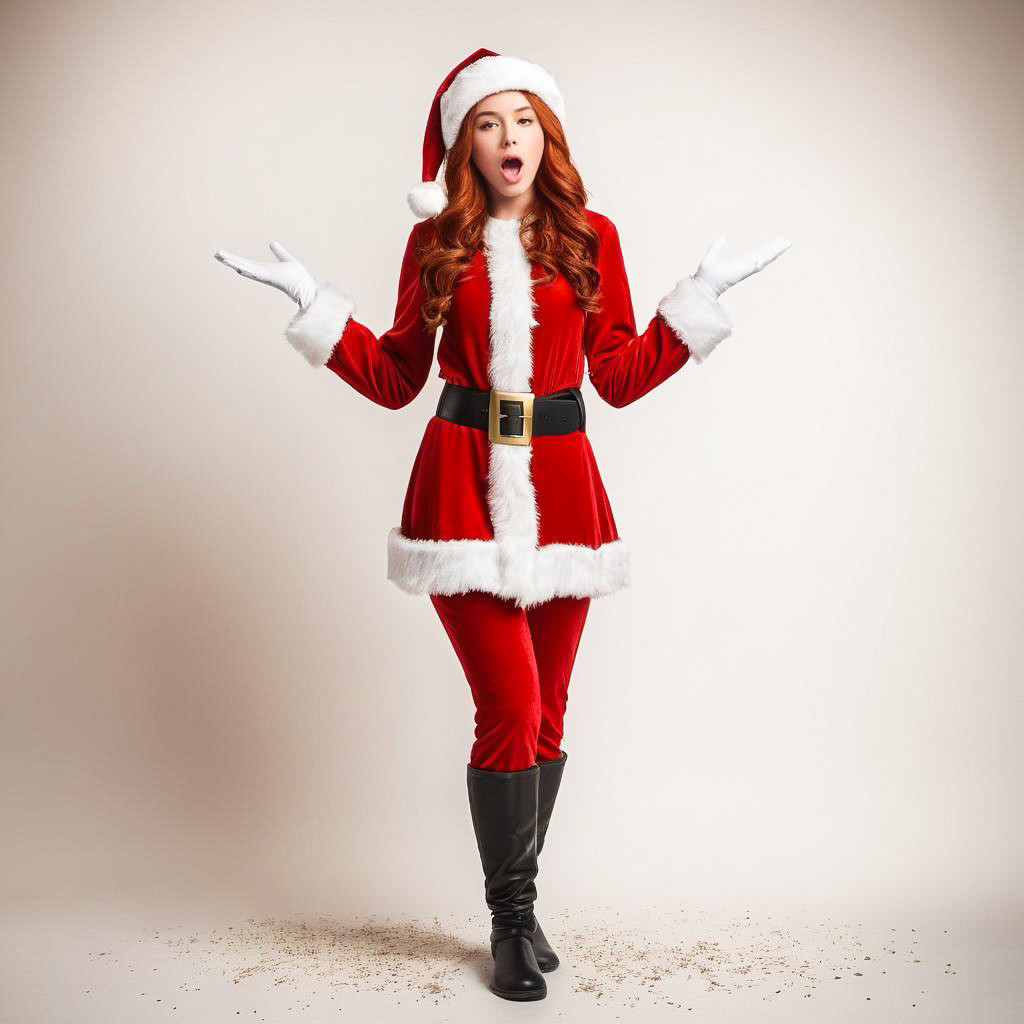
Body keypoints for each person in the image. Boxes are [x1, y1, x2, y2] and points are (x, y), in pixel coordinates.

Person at [215, 47, 790, 1002]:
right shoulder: (436, 241)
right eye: (487, 123)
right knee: (511, 708)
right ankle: (511, 921)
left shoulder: (591, 237)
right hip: (460, 494)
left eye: (522, 119)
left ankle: (519, 904)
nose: (507, 137)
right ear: (463, 145)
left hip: (564, 496)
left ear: (546, 135)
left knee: (552, 712)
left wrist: (697, 306)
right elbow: (400, 374)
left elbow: (618, 375)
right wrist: (313, 308)